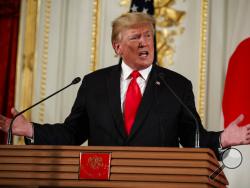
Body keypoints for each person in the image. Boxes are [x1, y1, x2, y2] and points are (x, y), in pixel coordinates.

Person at [0, 12, 249, 159]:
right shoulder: (94, 83)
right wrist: (31, 129)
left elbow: (193, 138)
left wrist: (223, 139)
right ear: (117, 47)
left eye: (148, 36)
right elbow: (72, 134)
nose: (145, 43)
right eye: (135, 37)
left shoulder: (177, 85)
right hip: (100, 182)